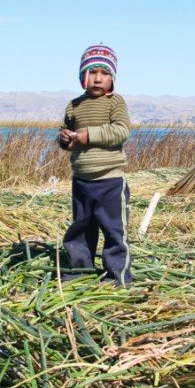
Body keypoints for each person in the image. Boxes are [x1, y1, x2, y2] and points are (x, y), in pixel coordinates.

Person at [58, 44, 132, 286]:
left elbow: (121, 131)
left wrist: (89, 135)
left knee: (114, 230)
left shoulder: (115, 102)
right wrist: (65, 138)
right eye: (92, 72)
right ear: (82, 76)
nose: (98, 78)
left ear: (112, 78)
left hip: (110, 180)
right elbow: (67, 136)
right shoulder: (74, 105)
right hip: (82, 180)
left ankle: (117, 277)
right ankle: (80, 271)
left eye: (104, 73)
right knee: (80, 229)